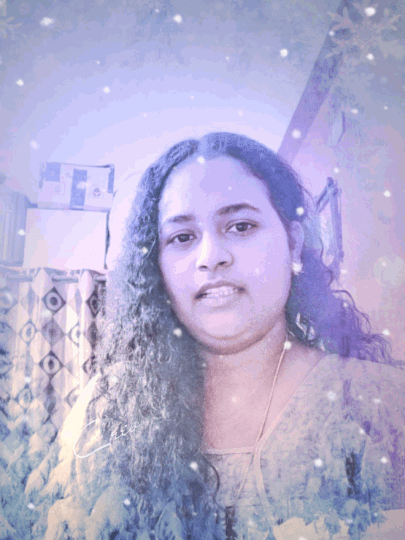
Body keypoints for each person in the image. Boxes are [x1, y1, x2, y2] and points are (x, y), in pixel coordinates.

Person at [29, 132, 405, 540]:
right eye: (182, 237)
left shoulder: (379, 405)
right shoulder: (105, 416)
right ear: (156, 267)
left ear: (294, 244)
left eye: (241, 226)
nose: (211, 257)